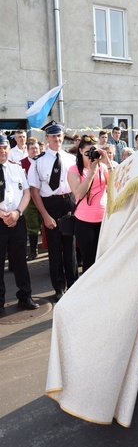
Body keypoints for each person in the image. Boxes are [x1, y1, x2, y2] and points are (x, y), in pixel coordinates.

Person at [46, 107, 138, 426]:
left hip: (116, 250)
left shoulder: (133, 161)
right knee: (132, 319)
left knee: (124, 319)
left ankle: (129, 376)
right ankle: (124, 383)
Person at [28, 124, 78, 301]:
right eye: (53, 137)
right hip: (50, 204)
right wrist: (45, 215)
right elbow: (34, 191)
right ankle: (59, 287)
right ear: (47, 138)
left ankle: (73, 284)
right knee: (55, 249)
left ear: (63, 137)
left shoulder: (71, 159)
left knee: (70, 247)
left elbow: (77, 184)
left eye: (60, 136)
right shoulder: (38, 161)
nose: (57, 140)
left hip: (68, 202)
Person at [0, 134, 39, 314]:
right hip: (0, 220)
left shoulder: (17, 169)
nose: (2, 151)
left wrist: (17, 213)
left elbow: (27, 193)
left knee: (20, 261)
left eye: (5, 147)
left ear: (9, 148)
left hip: (17, 219)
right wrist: (3, 215)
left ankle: (25, 296)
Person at [67, 135, 113, 273]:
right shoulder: (74, 170)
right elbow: (79, 194)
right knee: (89, 260)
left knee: (104, 258)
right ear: (80, 151)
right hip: (84, 221)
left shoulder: (102, 167)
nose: (90, 155)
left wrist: (107, 162)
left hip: (103, 219)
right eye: (87, 152)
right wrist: (92, 172)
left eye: (93, 151)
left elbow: (116, 186)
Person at [20, 140, 41, 260]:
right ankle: (33, 250)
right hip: (29, 198)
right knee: (31, 224)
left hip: (43, 196)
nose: (35, 151)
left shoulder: (43, 161)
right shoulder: (22, 163)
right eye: (32, 149)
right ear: (27, 150)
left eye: (36, 148)